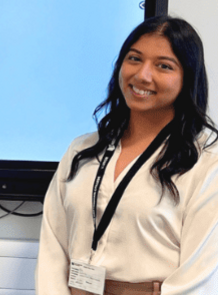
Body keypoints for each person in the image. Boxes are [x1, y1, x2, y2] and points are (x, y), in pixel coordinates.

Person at [36, 15, 218, 294]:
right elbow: (52, 249)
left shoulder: (206, 163)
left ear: (188, 78)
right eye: (134, 59)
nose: (143, 75)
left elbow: (199, 276)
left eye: (163, 66)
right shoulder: (82, 150)